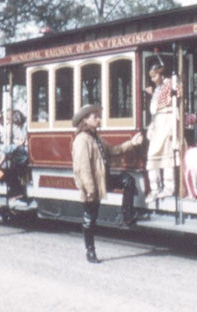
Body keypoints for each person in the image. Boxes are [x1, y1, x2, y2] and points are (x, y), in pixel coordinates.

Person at [71, 104, 144, 263]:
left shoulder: (95, 138)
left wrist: (132, 143)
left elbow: (113, 150)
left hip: (102, 179)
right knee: (90, 219)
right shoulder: (82, 140)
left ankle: (127, 216)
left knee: (127, 180)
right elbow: (83, 169)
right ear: (85, 119)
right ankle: (90, 251)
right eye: (95, 117)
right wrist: (90, 190)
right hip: (92, 186)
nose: (98, 119)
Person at [144, 60, 175, 203]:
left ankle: (169, 188)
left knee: (167, 156)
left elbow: (172, 106)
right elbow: (154, 112)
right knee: (153, 156)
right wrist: (151, 126)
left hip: (167, 123)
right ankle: (155, 188)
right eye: (151, 77)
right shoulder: (158, 89)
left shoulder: (170, 85)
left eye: (154, 76)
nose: (153, 79)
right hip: (158, 124)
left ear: (161, 74)